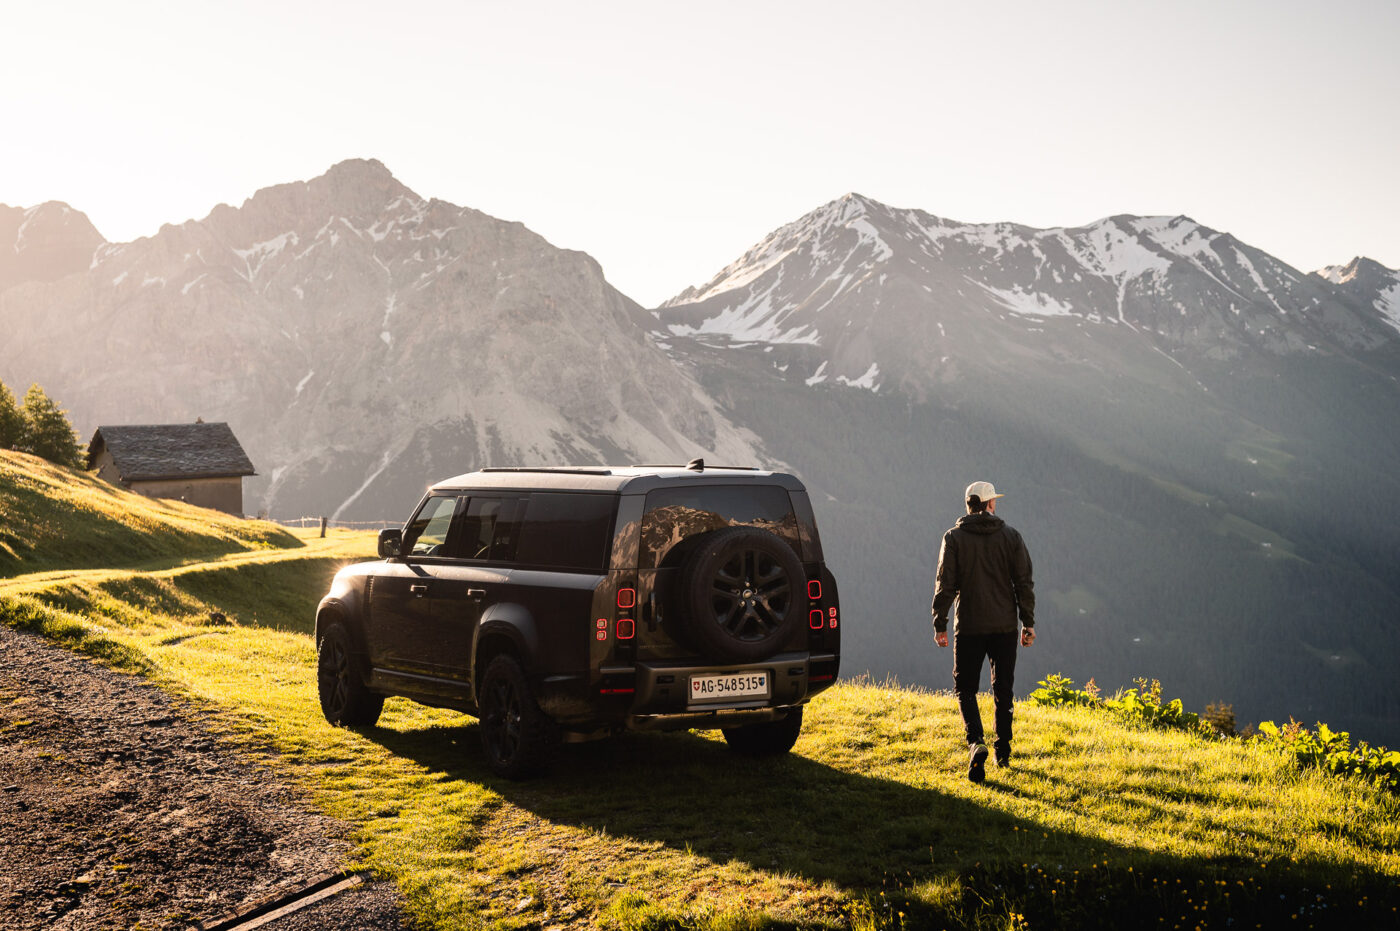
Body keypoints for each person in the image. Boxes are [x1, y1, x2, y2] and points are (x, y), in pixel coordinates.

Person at [931, 480, 1035, 783]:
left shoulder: (954, 538)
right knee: (1003, 688)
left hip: (970, 626)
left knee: (965, 688)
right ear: (990, 504)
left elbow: (944, 583)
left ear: (968, 505)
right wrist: (1027, 622)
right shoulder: (1011, 537)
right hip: (1004, 626)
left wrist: (940, 623)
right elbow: (1024, 583)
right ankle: (1003, 749)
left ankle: (976, 742)